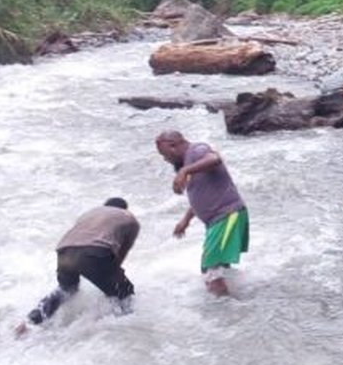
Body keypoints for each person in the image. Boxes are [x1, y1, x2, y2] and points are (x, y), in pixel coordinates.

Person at [15, 198, 138, 336]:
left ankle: (30, 322)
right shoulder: (128, 218)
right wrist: (110, 279)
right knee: (124, 291)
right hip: (95, 252)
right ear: (124, 209)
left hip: (64, 251)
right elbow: (120, 255)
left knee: (67, 289)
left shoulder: (89, 214)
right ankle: (124, 330)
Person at [156, 131, 250, 297]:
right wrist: (186, 220)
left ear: (173, 146)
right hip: (219, 220)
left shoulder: (197, 150)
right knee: (218, 268)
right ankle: (234, 301)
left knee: (209, 271)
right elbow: (203, 195)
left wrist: (185, 171)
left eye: (164, 154)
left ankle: (225, 312)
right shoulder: (191, 163)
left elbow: (214, 159)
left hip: (227, 216)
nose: (165, 159)